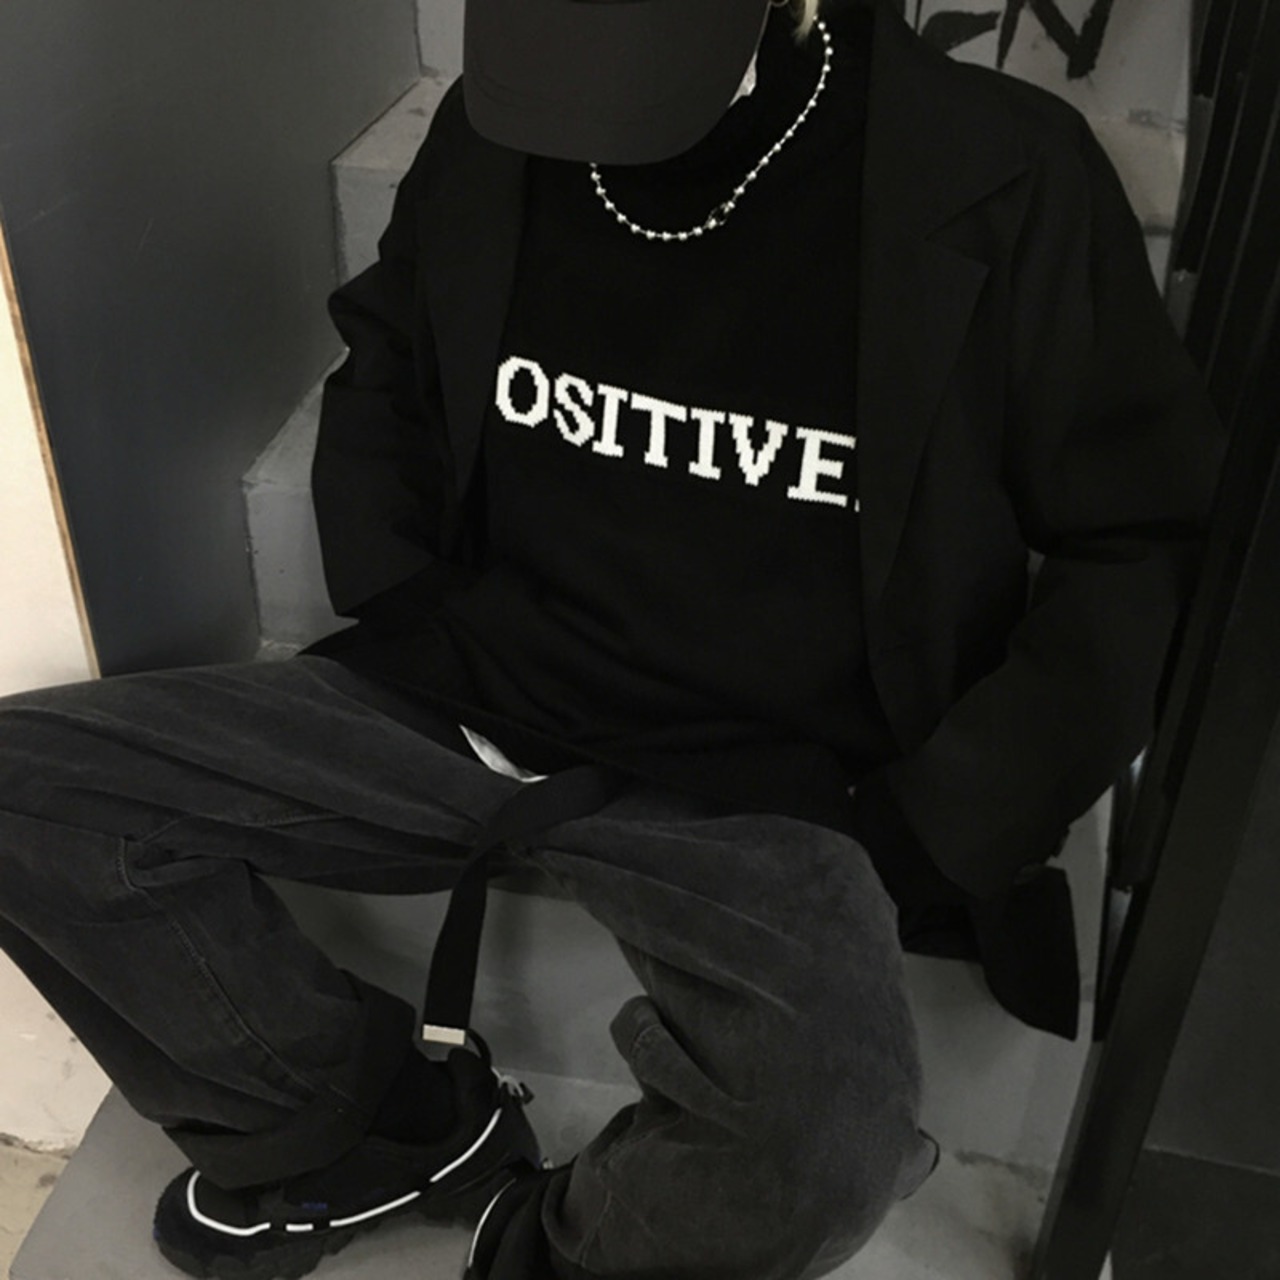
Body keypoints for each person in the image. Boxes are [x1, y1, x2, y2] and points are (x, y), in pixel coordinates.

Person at [0, 0, 1224, 1276]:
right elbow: (389, 354)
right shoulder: (502, 119)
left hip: (775, 778)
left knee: (818, 1140)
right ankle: (358, 1130)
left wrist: (933, 824)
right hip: (472, 688)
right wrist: (405, 594)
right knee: (26, 789)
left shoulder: (998, 171)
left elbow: (1137, 536)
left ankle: (550, 1253)